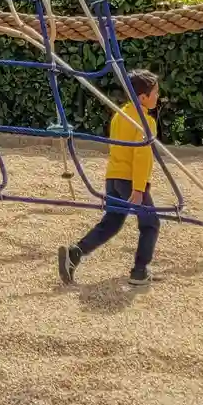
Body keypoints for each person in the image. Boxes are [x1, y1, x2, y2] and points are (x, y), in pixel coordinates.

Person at [58, 70, 163, 287]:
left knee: (112, 222)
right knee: (150, 223)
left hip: (113, 177)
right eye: (155, 93)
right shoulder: (145, 122)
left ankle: (76, 252)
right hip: (130, 180)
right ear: (143, 97)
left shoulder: (120, 115)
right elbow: (141, 156)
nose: (158, 97)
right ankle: (140, 271)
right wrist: (139, 188)